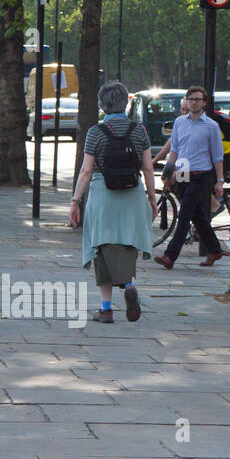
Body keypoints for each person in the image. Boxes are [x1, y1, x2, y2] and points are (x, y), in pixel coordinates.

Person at [69, 81, 157, 324]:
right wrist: (151, 197)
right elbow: (148, 168)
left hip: (102, 195)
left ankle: (105, 309)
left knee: (101, 248)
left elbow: (86, 171)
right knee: (128, 245)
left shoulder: (95, 132)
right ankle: (129, 284)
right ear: (126, 103)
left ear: (101, 105)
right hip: (132, 195)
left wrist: (75, 201)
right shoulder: (139, 131)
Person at [153, 86, 226, 269]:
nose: (193, 102)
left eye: (197, 99)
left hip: (201, 175)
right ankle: (215, 249)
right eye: (190, 99)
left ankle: (170, 256)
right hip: (182, 171)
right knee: (198, 216)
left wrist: (219, 181)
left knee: (184, 215)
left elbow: (217, 156)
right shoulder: (179, 122)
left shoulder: (211, 126)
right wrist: (169, 172)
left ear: (204, 103)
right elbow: (175, 149)